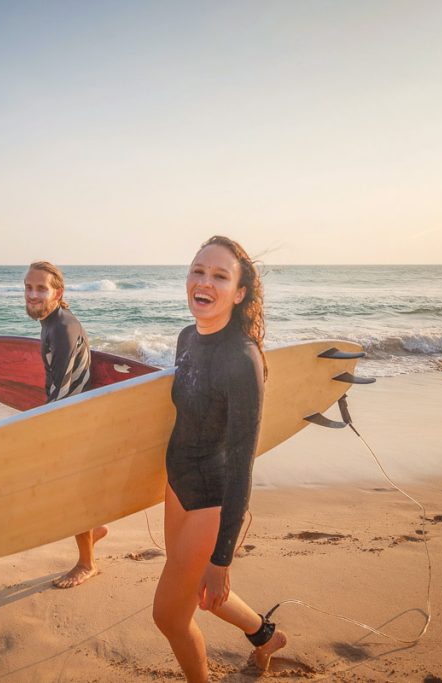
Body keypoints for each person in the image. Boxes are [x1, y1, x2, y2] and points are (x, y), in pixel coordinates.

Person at [153, 236, 287, 680]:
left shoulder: (241, 359)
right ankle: (265, 636)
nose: (204, 282)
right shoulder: (187, 338)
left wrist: (222, 557)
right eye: (197, 271)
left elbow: (242, 463)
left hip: (212, 501)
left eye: (219, 275)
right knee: (195, 596)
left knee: (169, 617)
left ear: (239, 291)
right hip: (177, 486)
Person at [24, 260, 107, 589]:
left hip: (74, 420)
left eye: (41, 288)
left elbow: (63, 389)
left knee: (73, 497)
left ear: (57, 292)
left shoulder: (61, 328)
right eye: (28, 288)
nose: (33, 294)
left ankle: (87, 564)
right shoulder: (52, 321)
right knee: (77, 492)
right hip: (75, 413)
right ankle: (95, 531)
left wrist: (44, 432)